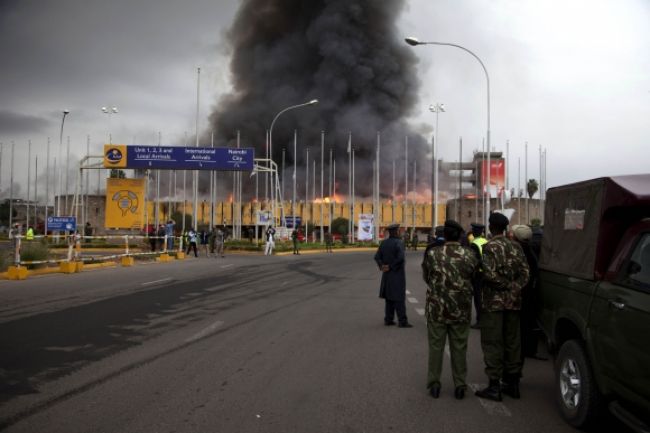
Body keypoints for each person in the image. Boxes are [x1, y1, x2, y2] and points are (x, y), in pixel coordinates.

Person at [475, 213, 530, 402]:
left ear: (491, 227)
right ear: (506, 228)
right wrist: (514, 287)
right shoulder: (516, 246)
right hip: (513, 303)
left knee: (492, 342)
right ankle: (513, 384)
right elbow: (525, 273)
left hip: (494, 303)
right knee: (513, 342)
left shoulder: (490, 247)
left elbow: (489, 274)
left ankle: (494, 387)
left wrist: (505, 285)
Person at [422, 219, 479, 399]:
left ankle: (435, 385)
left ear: (444, 235)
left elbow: (427, 277)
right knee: (459, 347)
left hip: (437, 308)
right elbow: (474, 276)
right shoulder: (469, 255)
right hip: (460, 309)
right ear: (460, 235)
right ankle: (460, 386)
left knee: (436, 347)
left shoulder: (433, 254)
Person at [510, 224, 543, 361]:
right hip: (532, 293)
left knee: (518, 326)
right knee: (529, 323)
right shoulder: (533, 249)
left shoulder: (517, 252)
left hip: (520, 294)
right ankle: (529, 349)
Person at [374, 223, 412, 328]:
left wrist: (382, 266)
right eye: (399, 230)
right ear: (396, 232)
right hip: (397, 274)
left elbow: (377, 257)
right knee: (399, 297)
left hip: (387, 275)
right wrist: (391, 266)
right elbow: (400, 258)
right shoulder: (399, 243)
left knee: (389, 297)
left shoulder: (384, 243)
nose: (400, 232)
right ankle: (402, 321)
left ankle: (388, 319)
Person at [469, 223, 488, 329]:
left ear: (475, 232)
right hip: (487, 273)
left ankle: (480, 320)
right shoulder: (486, 241)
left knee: (478, 298)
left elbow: (473, 261)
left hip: (478, 274)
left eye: (473, 230)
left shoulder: (474, 243)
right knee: (484, 298)